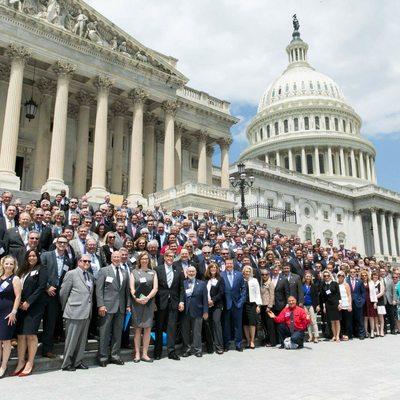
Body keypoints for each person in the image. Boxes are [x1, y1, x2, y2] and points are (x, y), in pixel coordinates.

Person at [13, 250, 47, 377]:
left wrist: (29, 301)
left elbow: (41, 287)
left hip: (34, 307)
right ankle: (21, 361)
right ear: (26, 258)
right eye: (29, 256)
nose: (32, 257)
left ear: (37, 257)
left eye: (34, 255)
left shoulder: (42, 269)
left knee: (31, 334)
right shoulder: (22, 270)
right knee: (21, 335)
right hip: (21, 306)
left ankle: (30, 362)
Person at [96, 251, 131, 367]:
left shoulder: (125, 272)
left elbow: (127, 291)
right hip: (107, 307)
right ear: (111, 258)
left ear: (122, 258)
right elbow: (99, 290)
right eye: (115, 257)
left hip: (121, 307)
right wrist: (101, 304)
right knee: (104, 332)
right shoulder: (104, 271)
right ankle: (102, 357)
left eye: (119, 257)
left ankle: (115, 356)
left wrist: (128, 305)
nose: (117, 258)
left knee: (117, 333)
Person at [60, 255, 94, 371]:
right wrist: (67, 307)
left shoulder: (90, 276)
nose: (87, 263)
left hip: (86, 312)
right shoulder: (71, 274)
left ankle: (77, 361)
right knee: (71, 340)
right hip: (74, 311)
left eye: (89, 261)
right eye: (85, 261)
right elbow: (63, 293)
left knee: (82, 340)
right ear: (79, 261)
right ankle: (66, 363)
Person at [40, 236, 73, 358]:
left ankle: (47, 349)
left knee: (50, 323)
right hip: (42, 293)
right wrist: (47, 287)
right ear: (56, 243)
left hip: (56, 296)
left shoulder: (68, 260)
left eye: (65, 243)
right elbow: (40, 272)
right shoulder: (46, 255)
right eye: (60, 242)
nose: (62, 244)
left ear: (67, 245)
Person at [153, 249, 184, 360]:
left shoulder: (178, 270)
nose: (170, 258)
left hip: (174, 303)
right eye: (168, 256)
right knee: (159, 328)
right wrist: (154, 303)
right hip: (160, 302)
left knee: (172, 328)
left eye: (172, 256)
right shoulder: (157, 269)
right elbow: (154, 288)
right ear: (164, 258)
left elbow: (181, 288)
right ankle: (157, 351)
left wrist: (181, 301)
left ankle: (171, 351)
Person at [130, 252, 158, 363]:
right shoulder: (134, 272)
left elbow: (155, 288)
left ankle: (145, 354)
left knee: (147, 328)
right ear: (139, 260)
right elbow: (132, 288)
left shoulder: (153, 272)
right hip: (137, 303)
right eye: (143, 258)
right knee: (137, 328)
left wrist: (147, 298)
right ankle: (137, 354)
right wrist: (136, 298)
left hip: (149, 303)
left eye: (146, 259)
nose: (145, 260)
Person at [0, 256, 22, 378]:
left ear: (14, 266)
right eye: (6, 263)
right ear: (3, 264)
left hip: (8, 313)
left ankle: (3, 366)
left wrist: (13, 312)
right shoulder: (0, 277)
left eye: (11, 264)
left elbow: (18, 296)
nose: (8, 266)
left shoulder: (15, 278)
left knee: (6, 340)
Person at [181, 266, 208, 357]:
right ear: (187, 273)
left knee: (197, 332)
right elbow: (181, 295)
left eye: (193, 271)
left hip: (198, 311)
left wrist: (205, 311)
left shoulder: (202, 283)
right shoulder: (184, 283)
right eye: (189, 272)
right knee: (186, 332)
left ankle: (198, 349)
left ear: (196, 273)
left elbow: (205, 298)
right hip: (186, 312)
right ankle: (187, 349)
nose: (191, 273)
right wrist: (181, 303)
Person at [221, 258, 247, 352]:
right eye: (227, 264)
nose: (229, 265)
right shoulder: (221, 275)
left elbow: (243, 289)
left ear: (233, 264)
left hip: (237, 304)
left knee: (238, 325)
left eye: (230, 263)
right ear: (225, 264)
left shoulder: (239, 274)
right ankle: (226, 344)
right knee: (226, 325)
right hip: (226, 304)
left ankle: (238, 344)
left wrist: (241, 302)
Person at [204, 263, 225, 354]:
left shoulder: (220, 279)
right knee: (208, 325)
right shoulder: (205, 279)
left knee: (216, 323)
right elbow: (202, 291)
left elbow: (221, 292)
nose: (213, 269)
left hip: (217, 305)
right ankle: (210, 347)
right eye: (211, 267)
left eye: (215, 268)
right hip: (206, 305)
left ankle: (219, 346)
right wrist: (207, 301)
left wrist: (213, 300)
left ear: (217, 269)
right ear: (208, 269)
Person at [242, 265, 262, 349]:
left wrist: (258, 305)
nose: (247, 273)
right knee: (245, 323)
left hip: (252, 304)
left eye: (249, 271)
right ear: (243, 272)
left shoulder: (254, 280)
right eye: (246, 271)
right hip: (243, 304)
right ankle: (247, 340)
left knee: (252, 323)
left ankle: (252, 341)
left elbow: (258, 292)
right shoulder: (241, 280)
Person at [320, 270, 342, 342]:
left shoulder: (335, 283)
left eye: (328, 275)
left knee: (337, 320)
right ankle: (334, 336)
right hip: (328, 305)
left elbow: (338, 294)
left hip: (335, 304)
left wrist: (340, 303)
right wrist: (324, 307)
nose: (326, 277)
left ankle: (338, 336)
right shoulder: (323, 285)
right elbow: (323, 297)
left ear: (330, 276)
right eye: (325, 276)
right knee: (332, 321)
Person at [347, 267, 366, 339]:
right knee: (350, 319)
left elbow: (363, 292)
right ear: (349, 273)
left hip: (358, 302)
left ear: (356, 273)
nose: (352, 273)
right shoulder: (346, 281)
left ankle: (361, 334)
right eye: (351, 272)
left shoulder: (360, 281)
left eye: (354, 272)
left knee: (360, 319)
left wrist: (363, 300)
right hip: (349, 303)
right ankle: (350, 334)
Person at [302, 272, 320, 343]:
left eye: (309, 276)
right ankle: (310, 336)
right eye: (306, 276)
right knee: (308, 321)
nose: (308, 278)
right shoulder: (302, 286)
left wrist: (318, 305)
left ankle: (316, 336)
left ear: (311, 277)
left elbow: (316, 296)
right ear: (305, 277)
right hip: (304, 305)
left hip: (312, 305)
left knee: (313, 321)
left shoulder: (314, 286)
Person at [259, 269, 275, 347]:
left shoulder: (270, 283)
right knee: (264, 325)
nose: (264, 276)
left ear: (268, 275)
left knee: (270, 325)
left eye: (266, 274)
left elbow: (272, 296)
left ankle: (272, 341)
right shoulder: (262, 283)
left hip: (268, 307)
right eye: (262, 274)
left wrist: (269, 306)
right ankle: (267, 340)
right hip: (262, 306)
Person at [360, 270, 378, 338]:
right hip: (363, 302)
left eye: (365, 275)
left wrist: (375, 302)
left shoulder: (371, 283)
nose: (364, 276)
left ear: (367, 276)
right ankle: (366, 332)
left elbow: (374, 293)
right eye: (363, 275)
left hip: (370, 301)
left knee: (371, 317)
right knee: (365, 318)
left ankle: (372, 331)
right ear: (361, 276)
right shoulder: (360, 283)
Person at [337, 271, 352, 341]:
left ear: (344, 277)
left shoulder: (346, 285)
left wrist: (350, 305)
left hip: (346, 304)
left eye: (342, 276)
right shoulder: (336, 285)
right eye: (339, 275)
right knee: (341, 321)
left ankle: (347, 334)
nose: (341, 277)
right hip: (340, 305)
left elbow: (349, 295)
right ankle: (342, 334)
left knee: (347, 321)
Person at [372, 271, 385, 337]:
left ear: (378, 276)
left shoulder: (380, 282)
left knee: (381, 317)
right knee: (375, 317)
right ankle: (377, 331)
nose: (375, 276)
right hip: (373, 302)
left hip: (380, 301)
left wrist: (374, 297)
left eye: (376, 275)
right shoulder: (371, 283)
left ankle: (381, 331)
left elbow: (382, 292)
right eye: (374, 275)